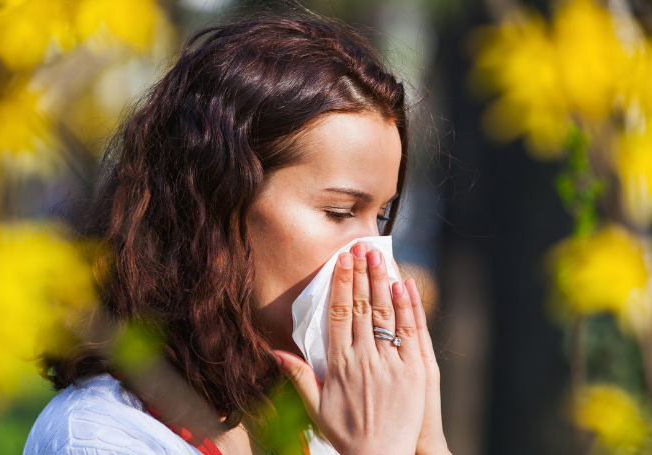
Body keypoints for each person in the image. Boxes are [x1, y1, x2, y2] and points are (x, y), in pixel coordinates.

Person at [23, 11, 449, 455]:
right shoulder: (98, 436)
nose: (374, 258)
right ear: (216, 203)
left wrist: (427, 442)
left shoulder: (320, 424)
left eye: (379, 218)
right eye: (340, 212)